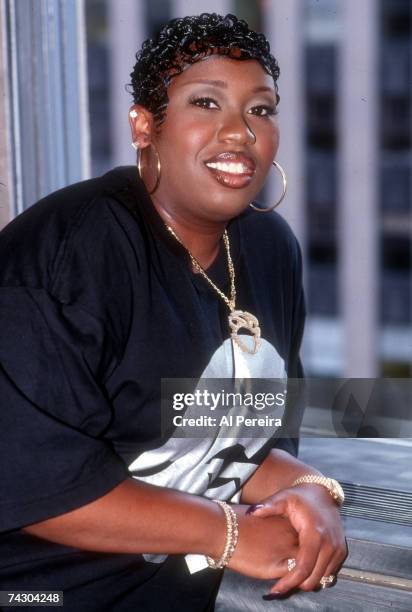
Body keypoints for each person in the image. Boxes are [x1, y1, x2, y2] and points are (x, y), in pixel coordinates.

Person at [0, 13, 346, 612]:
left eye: (260, 110)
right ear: (144, 125)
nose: (239, 132)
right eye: (206, 103)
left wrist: (310, 487)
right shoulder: (66, 255)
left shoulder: (270, 251)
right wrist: (227, 533)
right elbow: (39, 485)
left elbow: (232, 441)